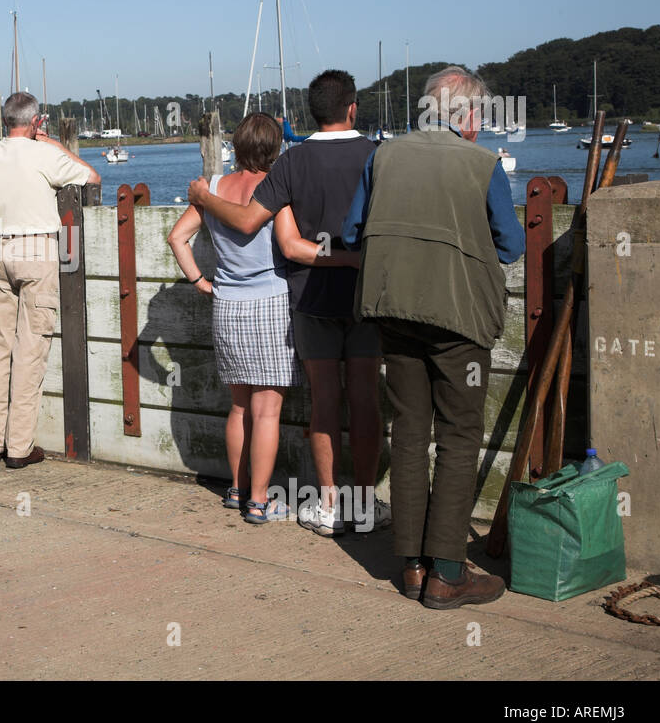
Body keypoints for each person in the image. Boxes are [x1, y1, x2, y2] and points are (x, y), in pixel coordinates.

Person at [342, 65, 525, 609]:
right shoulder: (482, 164)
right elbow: (511, 244)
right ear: (467, 115)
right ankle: (448, 570)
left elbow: (352, 231)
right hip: (458, 318)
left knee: (410, 431)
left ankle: (413, 567)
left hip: (392, 308)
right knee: (459, 435)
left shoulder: (384, 154)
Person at [188, 70, 388, 537]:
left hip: (309, 297)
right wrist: (356, 258)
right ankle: (363, 504)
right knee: (364, 398)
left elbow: (247, 221)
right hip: (367, 299)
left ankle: (329, 505)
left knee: (324, 401)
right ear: (353, 108)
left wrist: (202, 195)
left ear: (311, 112)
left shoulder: (292, 164)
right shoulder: (379, 157)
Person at [170, 113, 356, 523]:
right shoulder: (275, 189)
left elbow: (176, 237)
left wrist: (201, 281)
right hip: (269, 303)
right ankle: (259, 501)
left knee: (239, 407)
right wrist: (348, 258)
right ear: (275, 150)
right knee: (267, 410)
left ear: (236, 147)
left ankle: (237, 490)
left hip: (228, 305)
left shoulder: (213, 188)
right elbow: (293, 249)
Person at [0, 92, 100, 468]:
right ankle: (18, 448)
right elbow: (92, 177)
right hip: (35, 250)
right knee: (30, 351)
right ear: (36, 122)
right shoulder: (44, 153)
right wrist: (59, 145)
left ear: (4, 121)